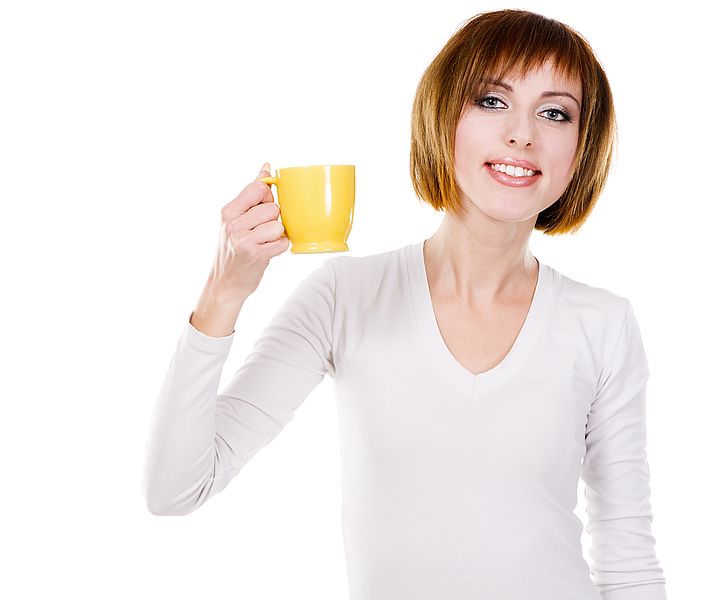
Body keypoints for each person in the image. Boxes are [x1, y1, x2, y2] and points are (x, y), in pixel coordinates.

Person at [143, 9, 667, 600]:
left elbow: (629, 564)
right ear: (442, 119)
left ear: (580, 150)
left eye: (554, 112)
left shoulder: (603, 323)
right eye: (493, 101)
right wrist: (225, 290)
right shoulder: (346, 297)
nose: (523, 133)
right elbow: (175, 488)